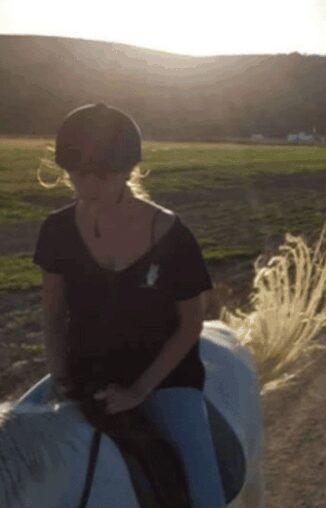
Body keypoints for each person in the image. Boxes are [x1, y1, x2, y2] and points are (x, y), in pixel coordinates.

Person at [34, 103, 225, 507]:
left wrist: (139, 391)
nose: (87, 188)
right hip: (83, 370)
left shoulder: (172, 235)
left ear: (128, 171)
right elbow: (53, 314)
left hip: (163, 377)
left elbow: (191, 322)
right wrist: (60, 378)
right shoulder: (56, 230)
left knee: (205, 496)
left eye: (101, 176)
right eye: (77, 175)